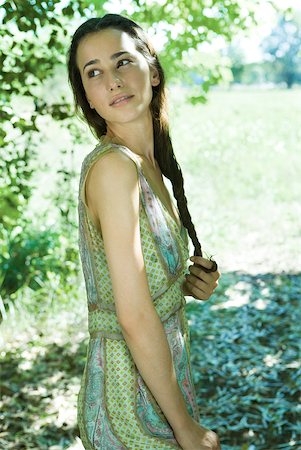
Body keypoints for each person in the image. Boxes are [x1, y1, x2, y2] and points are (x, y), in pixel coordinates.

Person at [67, 13, 221, 450]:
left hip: (156, 386)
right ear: (89, 100)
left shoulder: (146, 166)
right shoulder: (115, 169)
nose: (113, 81)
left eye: (122, 62)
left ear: (152, 71)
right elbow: (132, 316)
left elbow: (140, 287)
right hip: (129, 401)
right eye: (93, 72)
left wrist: (185, 285)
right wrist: (186, 428)